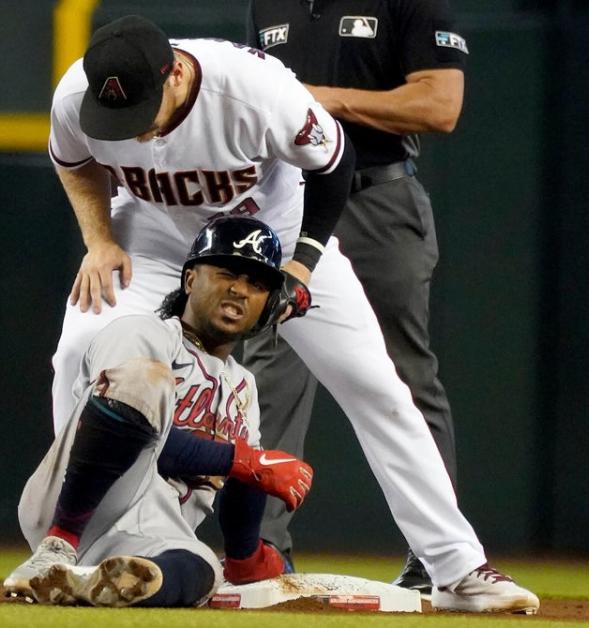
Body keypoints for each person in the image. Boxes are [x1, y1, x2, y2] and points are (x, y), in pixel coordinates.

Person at [44, 13, 538, 613]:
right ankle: (78, 548)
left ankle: (458, 568)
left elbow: (334, 164)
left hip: (269, 237)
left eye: (142, 108)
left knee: (376, 385)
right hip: (152, 235)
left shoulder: (253, 89)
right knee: (77, 352)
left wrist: (301, 267)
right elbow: (75, 164)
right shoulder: (78, 94)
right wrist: (99, 240)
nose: (133, 130)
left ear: (175, 72)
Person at [245, 0, 468, 597]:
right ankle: (261, 555)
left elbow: (440, 105)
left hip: (377, 200)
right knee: (269, 373)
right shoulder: (269, 4)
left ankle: (440, 559)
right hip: (293, 204)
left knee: (405, 375)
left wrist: (326, 99)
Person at [4, 217, 314, 606]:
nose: (239, 289)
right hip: (81, 501)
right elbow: (137, 441)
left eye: (257, 284)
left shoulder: (242, 387)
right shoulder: (142, 332)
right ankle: (57, 549)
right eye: (226, 273)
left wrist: (245, 556)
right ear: (189, 281)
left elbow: (244, 480)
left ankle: (101, 589)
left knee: (202, 568)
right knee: (143, 380)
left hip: (156, 531)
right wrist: (243, 459)